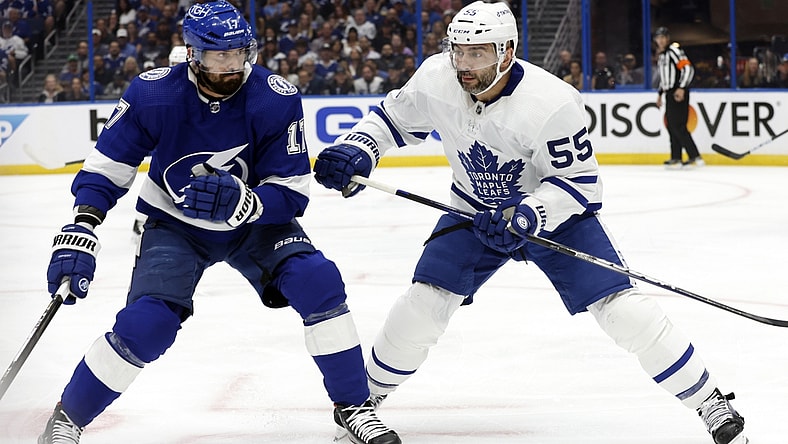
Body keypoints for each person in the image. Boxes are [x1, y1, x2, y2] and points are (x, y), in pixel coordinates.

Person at [313, 3, 748, 444]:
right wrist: (358, 147)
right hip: (473, 210)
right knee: (424, 303)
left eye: (477, 54)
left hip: (551, 217)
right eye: (458, 52)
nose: (463, 65)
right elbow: (390, 120)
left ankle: (710, 402)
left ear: (507, 52)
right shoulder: (436, 76)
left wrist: (529, 214)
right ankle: (360, 404)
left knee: (624, 310)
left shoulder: (551, 102)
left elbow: (580, 184)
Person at [37, 3, 400, 444]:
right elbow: (108, 167)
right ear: (192, 53)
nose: (231, 65)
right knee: (147, 325)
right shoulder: (152, 94)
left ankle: (354, 407)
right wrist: (82, 226)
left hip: (255, 225)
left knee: (317, 279)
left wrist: (247, 203)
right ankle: (68, 417)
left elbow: (291, 190)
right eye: (218, 56)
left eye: (239, 53)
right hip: (175, 224)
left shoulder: (274, 97)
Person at [654, 26, 704, 168]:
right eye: (659, 38)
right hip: (670, 93)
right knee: (671, 125)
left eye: (663, 37)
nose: (661, 40)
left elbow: (688, 68)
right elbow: (664, 79)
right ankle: (676, 157)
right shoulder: (663, 55)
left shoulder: (673, 51)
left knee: (678, 125)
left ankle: (694, 156)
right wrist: (660, 94)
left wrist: (682, 87)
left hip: (678, 92)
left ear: (668, 38)